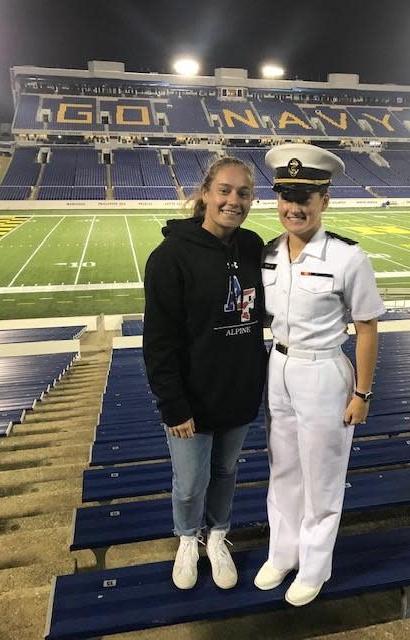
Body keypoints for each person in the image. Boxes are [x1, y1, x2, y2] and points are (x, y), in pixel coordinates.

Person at [254, 143, 385, 606]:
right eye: (286, 197)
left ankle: (313, 567)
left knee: (322, 477)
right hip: (280, 366)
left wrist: (362, 394)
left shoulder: (348, 257)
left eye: (304, 198)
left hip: (324, 370)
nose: (294, 208)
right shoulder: (268, 253)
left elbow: (367, 328)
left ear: (324, 201)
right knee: (283, 469)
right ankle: (282, 553)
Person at [143, 156, 267, 591]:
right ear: (205, 193)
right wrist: (173, 405)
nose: (234, 200)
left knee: (227, 473)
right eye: (225, 190)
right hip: (191, 400)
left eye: (243, 193)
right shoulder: (170, 257)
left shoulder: (252, 246)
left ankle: (217, 536)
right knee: (191, 482)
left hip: (238, 393)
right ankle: (186, 538)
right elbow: (158, 342)